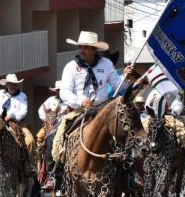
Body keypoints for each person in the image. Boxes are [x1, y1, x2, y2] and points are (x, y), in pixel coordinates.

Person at [52, 31, 136, 167]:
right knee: (53, 136)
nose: (82, 50)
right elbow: (65, 91)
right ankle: (55, 172)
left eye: (86, 47)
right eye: (80, 47)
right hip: (79, 111)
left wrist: (125, 77)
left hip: (103, 110)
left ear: (94, 50)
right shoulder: (71, 67)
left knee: (125, 133)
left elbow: (117, 85)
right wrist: (81, 101)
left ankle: (129, 170)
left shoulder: (106, 64)